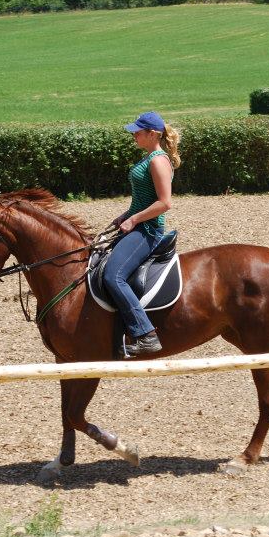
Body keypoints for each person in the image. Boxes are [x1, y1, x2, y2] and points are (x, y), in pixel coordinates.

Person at [105, 111, 181, 356]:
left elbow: (164, 203)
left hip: (148, 231)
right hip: (136, 225)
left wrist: (135, 219)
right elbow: (142, 199)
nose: (134, 135)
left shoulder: (158, 160)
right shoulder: (148, 158)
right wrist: (125, 215)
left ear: (153, 134)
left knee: (113, 276)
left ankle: (145, 333)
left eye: (138, 131)